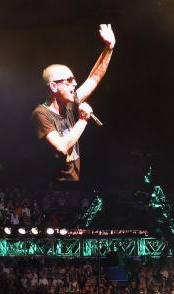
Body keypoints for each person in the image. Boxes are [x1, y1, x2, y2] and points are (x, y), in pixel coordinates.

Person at [32, 24, 116, 181]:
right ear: (54, 86)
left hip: (74, 183)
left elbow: (94, 78)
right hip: (53, 189)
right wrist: (83, 120)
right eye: (69, 80)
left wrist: (109, 48)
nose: (75, 83)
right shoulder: (40, 113)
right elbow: (61, 147)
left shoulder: (70, 103)